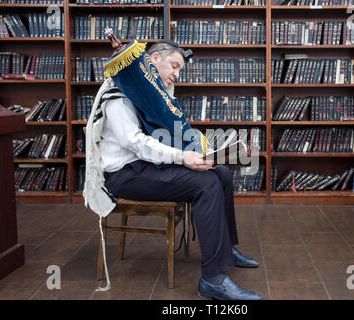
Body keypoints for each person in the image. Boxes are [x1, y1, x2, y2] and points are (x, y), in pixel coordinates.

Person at [87, 39, 262, 300]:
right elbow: (134, 143)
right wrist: (183, 158)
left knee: (221, 173)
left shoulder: (154, 90)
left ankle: (226, 249)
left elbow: (166, 130)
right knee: (206, 183)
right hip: (124, 175)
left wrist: (197, 153)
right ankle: (213, 279)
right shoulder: (121, 90)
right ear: (154, 60)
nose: (177, 75)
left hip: (147, 166)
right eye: (174, 67)